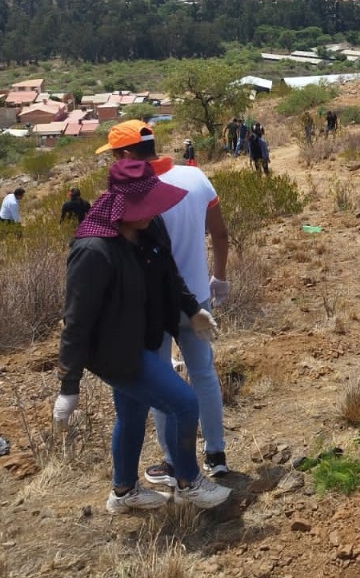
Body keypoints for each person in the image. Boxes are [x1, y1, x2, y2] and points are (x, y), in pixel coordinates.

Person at [54, 158, 231, 513]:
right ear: (124, 207)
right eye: (147, 206)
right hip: (115, 352)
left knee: (132, 414)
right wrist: (68, 385)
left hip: (144, 335)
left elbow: (168, 274)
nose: (154, 212)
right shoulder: (93, 250)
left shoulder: (149, 229)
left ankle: (123, 492)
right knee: (184, 403)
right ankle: (187, 481)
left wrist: (192, 309)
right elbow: (76, 322)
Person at [93, 120, 235, 483]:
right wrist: (219, 276)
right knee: (203, 373)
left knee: (162, 381)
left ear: (126, 155)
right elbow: (219, 233)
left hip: (150, 308)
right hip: (197, 298)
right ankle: (216, 454)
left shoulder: (130, 193)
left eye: (113, 156)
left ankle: (173, 462)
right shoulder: (196, 177)